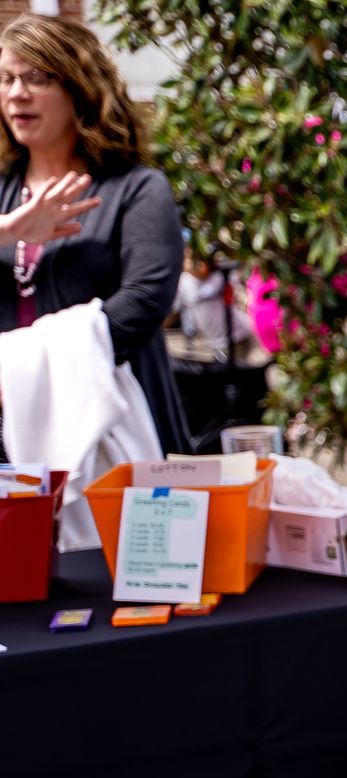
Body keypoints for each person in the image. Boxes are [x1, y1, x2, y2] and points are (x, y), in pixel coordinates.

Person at [0, 15, 187, 453]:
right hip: (9, 445)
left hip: (115, 436)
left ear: (80, 89)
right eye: (6, 78)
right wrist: (10, 229)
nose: (16, 93)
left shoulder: (137, 189)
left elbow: (144, 300)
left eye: (38, 77)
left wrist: (18, 369)